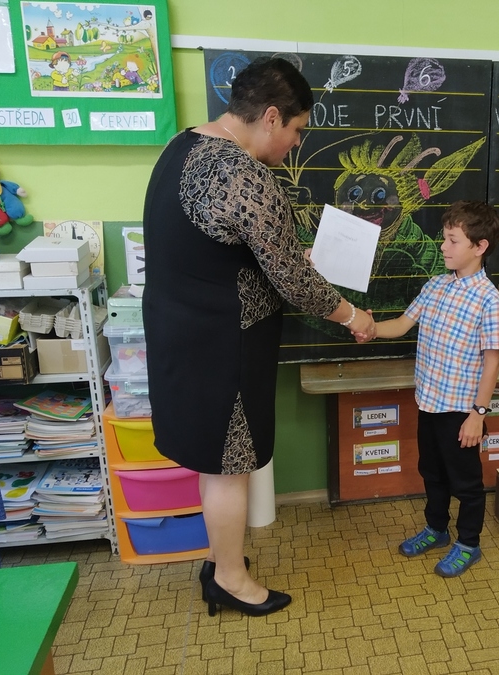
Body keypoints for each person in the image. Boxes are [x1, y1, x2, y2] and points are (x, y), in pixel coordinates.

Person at [142, 57, 375, 618]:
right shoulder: (243, 175)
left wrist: (286, 256)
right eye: (297, 130)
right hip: (225, 341)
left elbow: (219, 247)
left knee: (212, 459)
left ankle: (219, 559)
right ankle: (230, 579)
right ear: (271, 117)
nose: (296, 144)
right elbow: (293, 281)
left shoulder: (183, 144)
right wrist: (352, 316)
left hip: (180, 331)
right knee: (231, 464)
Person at [356, 200, 499, 577]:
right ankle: (436, 529)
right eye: (444, 238)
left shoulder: (489, 299)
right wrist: (371, 328)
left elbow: (492, 362)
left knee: (466, 483)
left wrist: (478, 415)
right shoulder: (436, 285)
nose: (443, 246)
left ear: (480, 246)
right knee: (432, 473)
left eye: (453, 240)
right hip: (428, 402)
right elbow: (402, 324)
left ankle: (468, 543)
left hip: (461, 411)